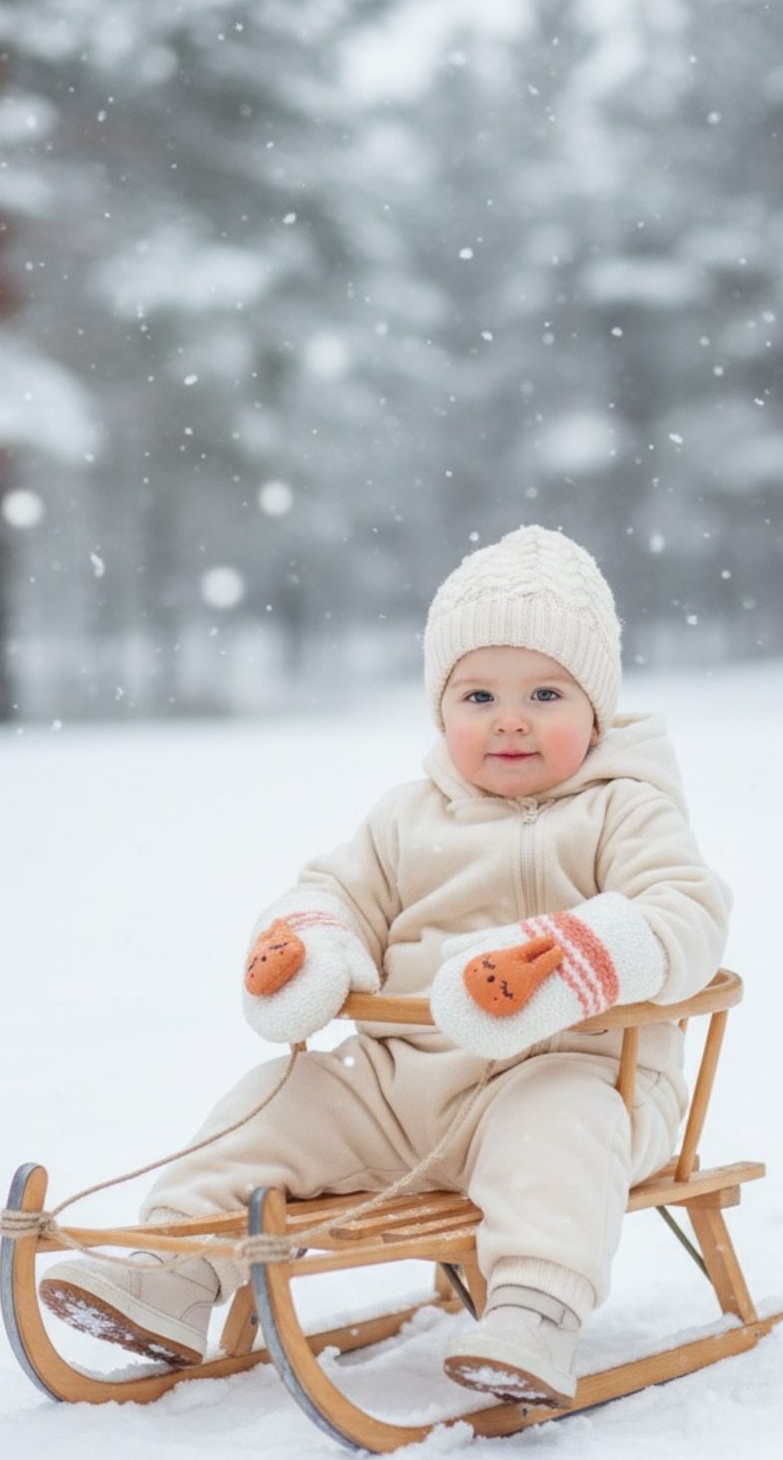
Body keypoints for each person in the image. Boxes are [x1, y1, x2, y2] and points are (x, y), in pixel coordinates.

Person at [40, 526, 731, 1407]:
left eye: (545, 693)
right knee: (273, 1101)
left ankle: (534, 1311)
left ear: (595, 708)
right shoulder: (409, 817)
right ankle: (170, 1276)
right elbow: (333, 890)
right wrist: (310, 945)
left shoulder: (625, 810)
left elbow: (686, 909)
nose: (509, 719)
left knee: (556, 1134)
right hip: (398, 1086)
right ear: (442, 711)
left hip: (583, 1077)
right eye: (478, 694)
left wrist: (564, 962)